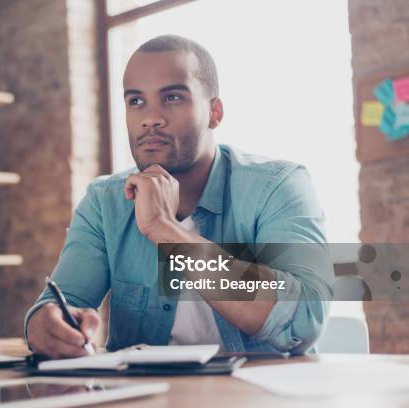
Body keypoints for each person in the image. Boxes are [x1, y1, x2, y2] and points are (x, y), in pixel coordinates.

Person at [24, 35, 332, 359]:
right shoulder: (104, 202)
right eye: (136, 101)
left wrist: (166, 232)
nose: (150, 118)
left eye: (171, 97)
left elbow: (304, 320)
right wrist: (44, 326)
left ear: (214, 112)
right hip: (145, 397)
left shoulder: (277, 187)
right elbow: (60, 304)